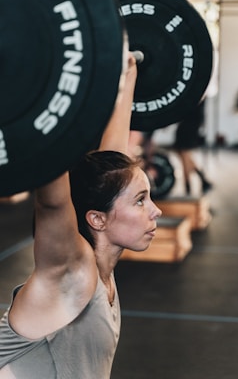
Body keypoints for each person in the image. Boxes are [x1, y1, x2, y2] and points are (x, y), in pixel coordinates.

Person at [0, 49, 162, 378]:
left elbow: (112, 164)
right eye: (141, 200)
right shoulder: (70, 273)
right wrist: (47, 111)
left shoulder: (101, 260)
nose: (156, 211)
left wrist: (128, 74)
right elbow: (53, 203)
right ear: (96, 219)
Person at [174, 100, 213, 196]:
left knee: (184, 155)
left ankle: (188, 188)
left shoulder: (196, 90)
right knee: (183, 154)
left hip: (190, 124)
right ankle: (203, 180)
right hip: (189, 123)